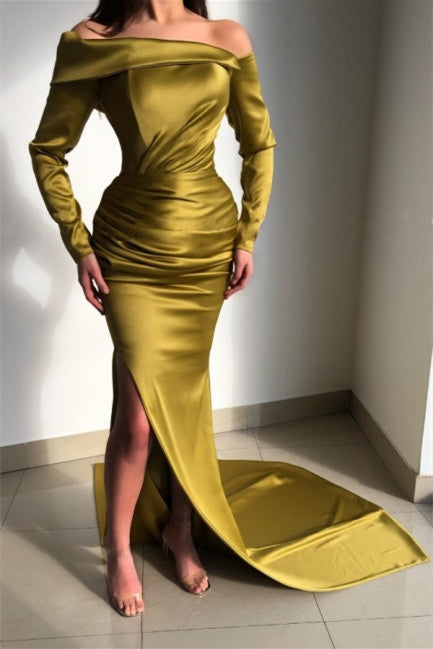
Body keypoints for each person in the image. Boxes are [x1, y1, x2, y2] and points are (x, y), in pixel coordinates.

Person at [29, 0, 429, 622]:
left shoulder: (226, 36)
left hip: (205, 243)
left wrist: (247, 234)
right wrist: (77, 243)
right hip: (131, 245)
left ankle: (180, 527)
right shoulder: (92, 40)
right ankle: (118, 548)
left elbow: (257, 141)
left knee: (188, 398)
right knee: (136, 420)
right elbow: (49, 150)